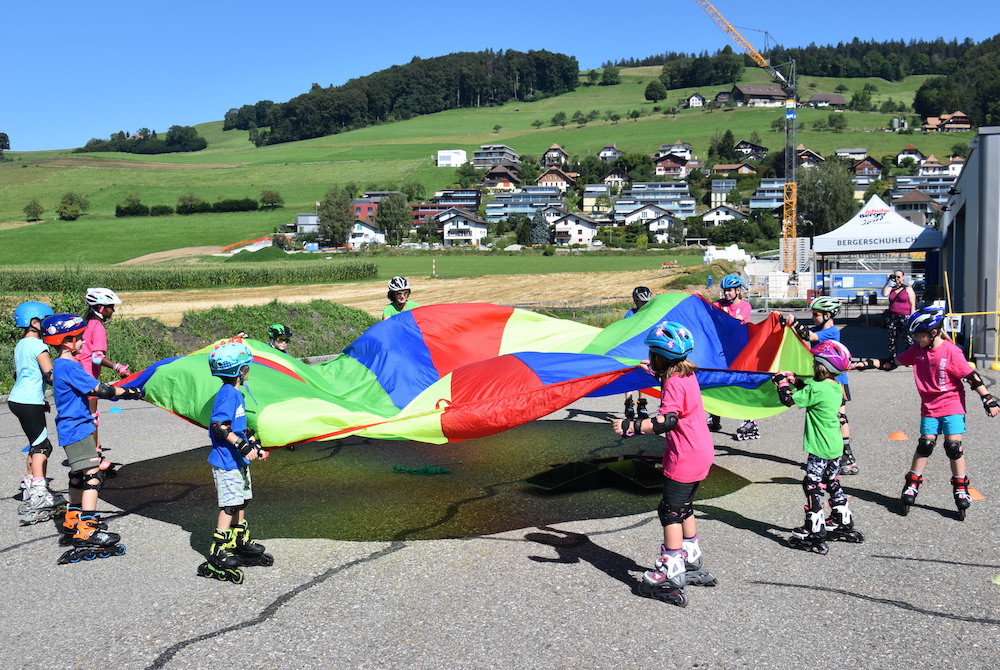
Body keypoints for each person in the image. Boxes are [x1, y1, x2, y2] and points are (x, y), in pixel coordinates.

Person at [852, 306, 1000, 519]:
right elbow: (891, 363)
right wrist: (865, 364)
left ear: (933, 333)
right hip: (929, 407)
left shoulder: (951, 351)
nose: (914, 339)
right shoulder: (917, 351)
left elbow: (971, 376)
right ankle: (912, 483)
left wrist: (988, 399)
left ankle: (960, 487)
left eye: (918, 335)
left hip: (952, 405)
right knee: (925, 445)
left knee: (953, 447)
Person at [612, 321, 717, 606]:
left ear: (660, 357)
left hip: (684, 456)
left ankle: (671, 570)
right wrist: (653, 370)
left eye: (652, 354)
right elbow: (675, 397)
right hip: (701, 451)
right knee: (684, 507)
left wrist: (631, 426)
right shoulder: (685, 374)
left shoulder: (672, 382)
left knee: (669, 511)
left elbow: (666, 420)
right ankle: (690, 558)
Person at [42, 314, 144, 563]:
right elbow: (102, 390)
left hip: (71, 427)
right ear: (66, 342)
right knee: (93, 476)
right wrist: (130, 392)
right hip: (77, 428)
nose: (82, 342)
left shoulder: (60, 365)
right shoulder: (70, 366)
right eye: (78, 338)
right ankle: (88, 529)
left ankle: (73, 520)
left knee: (78, 475)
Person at [772, 341, 863, 554]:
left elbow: (788, 400)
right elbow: (812, 392)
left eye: (815, 363)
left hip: (820, 448)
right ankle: (842, 519)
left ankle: (814, 528)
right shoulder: (834, 387)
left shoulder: (815, 388)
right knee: (831, 481)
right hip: (834, 446)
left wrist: (781, 383)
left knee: (811, 484)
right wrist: (796, 380)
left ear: (821, 366)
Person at [197, 341, 273, 584]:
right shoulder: (228, 394)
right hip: (226, 460)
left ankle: (239, 540)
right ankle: (217, 550)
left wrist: (254, 444)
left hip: (237, 459)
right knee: (229, 505)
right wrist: (242, 446)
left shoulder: (236, 393)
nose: (249, 369)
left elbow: (239, 426)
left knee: (243, 499)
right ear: (240, 371)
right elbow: (219, 426)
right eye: (246, 366)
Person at [779, 296, 858, 475]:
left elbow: (809, 336)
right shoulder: (818, 328)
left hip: (837, 381)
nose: (813, 317)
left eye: (817, 314)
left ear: (828, 315)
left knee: (839, 417)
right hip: (822, 378)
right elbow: (801, 334)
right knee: (829, 418)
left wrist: (794, 321)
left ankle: (847, 456)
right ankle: (831, 455)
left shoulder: (832, 332)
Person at [9, 301, 66, 525]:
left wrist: (41, 399)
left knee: (35, 443)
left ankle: (30, 486)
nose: (48, 326)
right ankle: (39, 494)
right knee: (43, 446)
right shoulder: (39, 346)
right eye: (45, 321)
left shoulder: (21, 344)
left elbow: (24, 374)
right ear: (34, 322)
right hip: (28, 401)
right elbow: (49, 374)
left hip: (18, 399)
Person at [77, 288, 131, 452]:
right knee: (92, 417)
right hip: (89, 378)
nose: (113, 310)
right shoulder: (98, 327)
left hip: (77, 374)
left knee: (82, 415)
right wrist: (118, 367)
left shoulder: (83, 323)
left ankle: (86, 451)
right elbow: (96, 358)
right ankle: (94, 453)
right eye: (110, 307)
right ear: (101, 308)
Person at [708, 274, 756, 438]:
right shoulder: (718, 304)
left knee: (742, 385)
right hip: (721, 352)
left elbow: (734, 321)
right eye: (725, 290)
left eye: (729, 290)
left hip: (740, 352)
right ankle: (714, 416)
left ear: (738, 291)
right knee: (715, 383)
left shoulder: (745, 306)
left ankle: (750, 420)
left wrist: (720, 317)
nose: (726, 293)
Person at [622, 287, 653, 421]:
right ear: (635, 301)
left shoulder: (652, 313)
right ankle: (629, 402)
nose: (645, 305)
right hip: (631, 350)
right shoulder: (630, 314)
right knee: (629, 376)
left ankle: (642, 404)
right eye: (642, 302)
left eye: (647, 302)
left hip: (644, 349)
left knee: (643, 376)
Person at [882, 271, 916, 358]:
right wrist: (887, 282)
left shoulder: (908, 289)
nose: (897, 279)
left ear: (903, 277)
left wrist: (912, 318)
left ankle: (910, 357)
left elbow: (912, 304)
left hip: (905, 316)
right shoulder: (892, 289)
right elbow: (884, 293)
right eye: (895, 277)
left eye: (898, 277)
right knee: (892, 339)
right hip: (892, 316)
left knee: (907, 338)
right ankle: (892, 358)